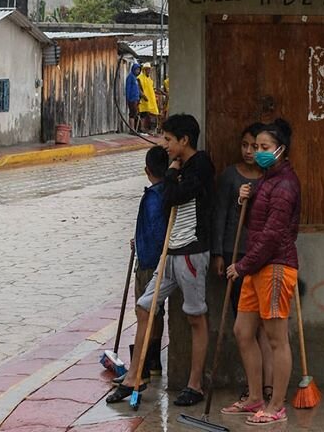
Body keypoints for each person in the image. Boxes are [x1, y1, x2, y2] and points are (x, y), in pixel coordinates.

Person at [107, 113, 215, 407]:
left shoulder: (201, 164)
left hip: (191, 251)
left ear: (184, 140)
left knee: (195, 316)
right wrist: (173, 173)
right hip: (170, 251)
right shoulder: (177, 166)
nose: (163, 144)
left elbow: (177, 195)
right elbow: (168, 198)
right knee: (145, 307)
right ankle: (133, 378)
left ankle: (195, 384)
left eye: (168, 139)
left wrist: (172, 174)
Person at [221, 118, 300, 426]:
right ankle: (255, 397)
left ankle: (276, 404)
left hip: (275, 266)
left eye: (264, 147)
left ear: (281, 150)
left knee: (277, 338)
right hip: (258, 267)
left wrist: (242, 265)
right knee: (243, 331)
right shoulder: (267, 180)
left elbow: (272, 235)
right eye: (255, 147)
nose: (257, 152)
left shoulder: (285, 185)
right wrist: (248, 197)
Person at [211, 122, 273, 402]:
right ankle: (254, 387)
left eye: (256, 146)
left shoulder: (271, 179)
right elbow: (220, 214)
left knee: (263, 328)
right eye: (245, 145)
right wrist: (218, 253)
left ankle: (266, 387)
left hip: (262, 257)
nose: (249, 151)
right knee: (243, 327)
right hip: (235, 254)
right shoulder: (229, 177)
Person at [113, 144, 169, 382]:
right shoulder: (165, 192)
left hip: (149, 262)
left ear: (147, 170)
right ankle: (152, 362)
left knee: (145, 311)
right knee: (155, 313)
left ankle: (143, 366)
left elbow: (156, 230)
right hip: (153, 257)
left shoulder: (153, 197)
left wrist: (145, 247)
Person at [138, 63, 159, 132]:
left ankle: (152, 129)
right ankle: (142, 128)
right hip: (144, 99)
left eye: (149, 69)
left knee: (153, 113)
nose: (148, 71)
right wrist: (143, 96)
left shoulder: (150, 79)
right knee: (143, 114)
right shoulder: (140, 78)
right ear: (144, 70)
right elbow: (139, 89)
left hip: (151, 99)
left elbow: (152, 88)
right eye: (147, 69)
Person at [125, 62, 143, 130]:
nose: (137, 71)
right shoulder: (130, 77)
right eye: (136, 69)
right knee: (132, 113)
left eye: (138, 70)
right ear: (133, 69)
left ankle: (135, 129)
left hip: (136, 98)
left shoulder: (135, 78)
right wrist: (128, 98)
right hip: (132, 99)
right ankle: (132, 129)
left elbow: (137, 89)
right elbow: (128, 88)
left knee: (135, 113)